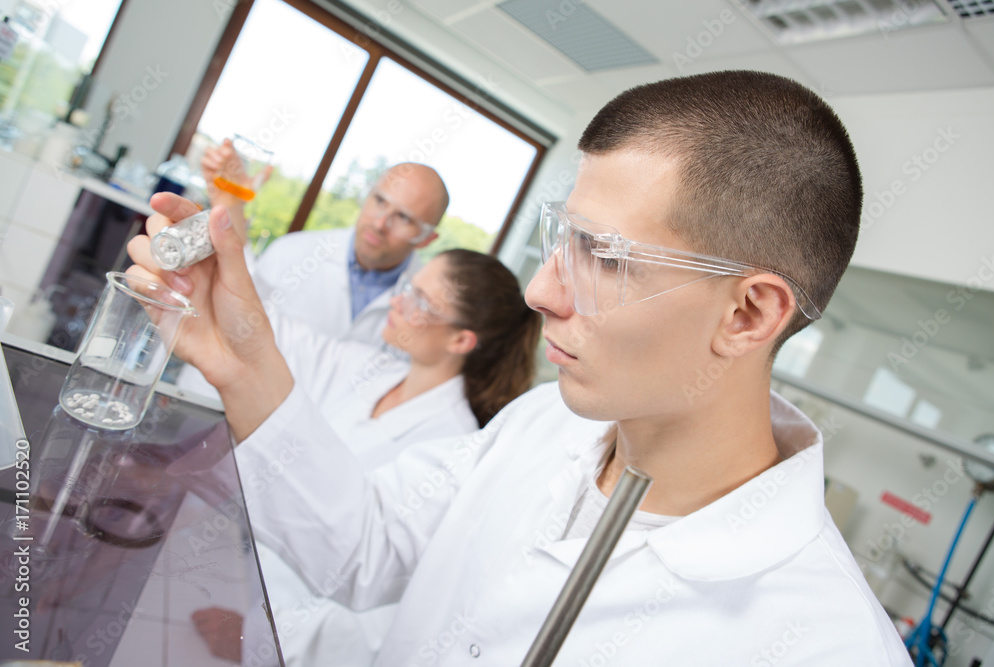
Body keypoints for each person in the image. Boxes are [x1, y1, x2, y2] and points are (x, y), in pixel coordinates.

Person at [129, 71, 912, 664]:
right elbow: (364, 547)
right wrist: (243, 366)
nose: (540, 292)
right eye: (562, 239)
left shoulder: (825, 642)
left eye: (604, 256)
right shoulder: (542, 423)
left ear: (748, 314)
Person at [182, 248, 541, 665]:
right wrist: (218, 274)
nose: (397, 302)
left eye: (421, 302)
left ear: (460, 340)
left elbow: (380, 613)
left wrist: (258, 636)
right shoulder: (370, 370)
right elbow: (282, 340)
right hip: (239, 573)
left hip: (275, 635)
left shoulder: (453, 449)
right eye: (408, 288)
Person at [204, 142, 449, 345]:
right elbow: (236, 305)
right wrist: (230, 203)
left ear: (426, 240)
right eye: (379, 201)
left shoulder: (429, 310)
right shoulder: (291, 252)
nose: (379, 223)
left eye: (403, 217)